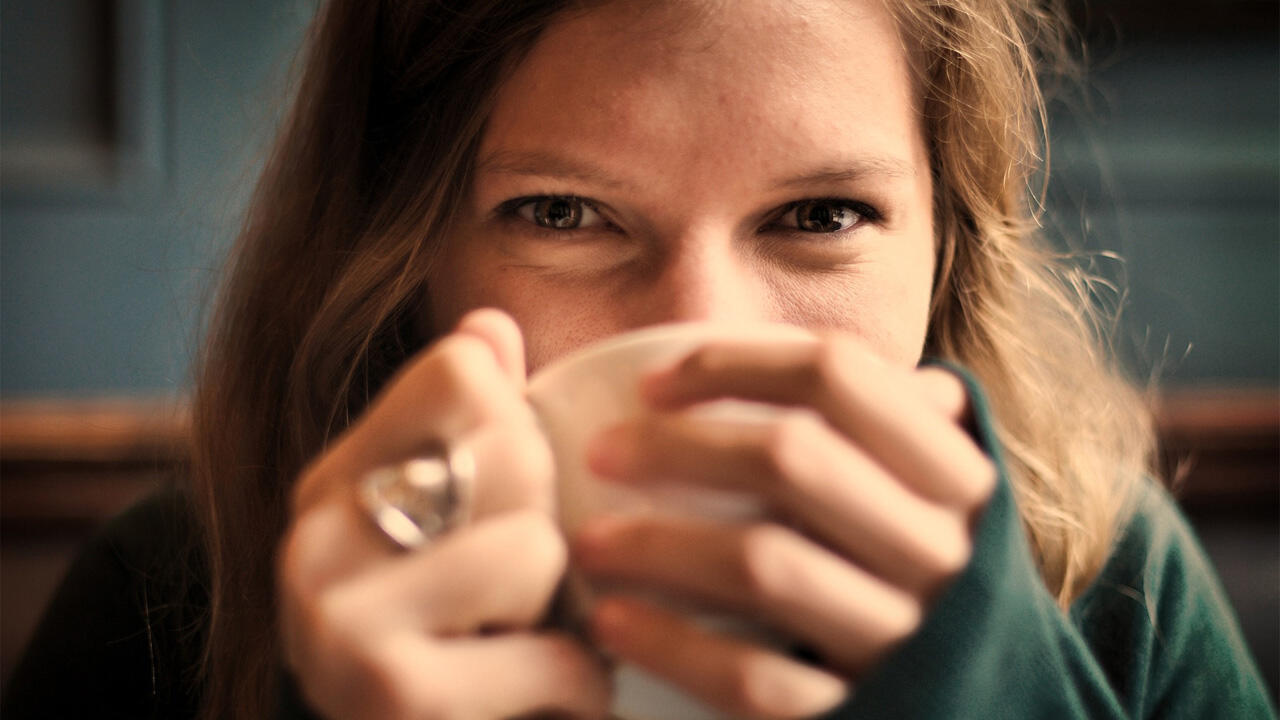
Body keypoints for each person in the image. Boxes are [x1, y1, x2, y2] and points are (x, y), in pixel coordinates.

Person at [4, 0, 1274, 718]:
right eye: (561, 214)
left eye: (821, 217)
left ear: (949, 249)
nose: (701, 335)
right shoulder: (171, 600)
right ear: (407, 256)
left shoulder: (1110, 584)